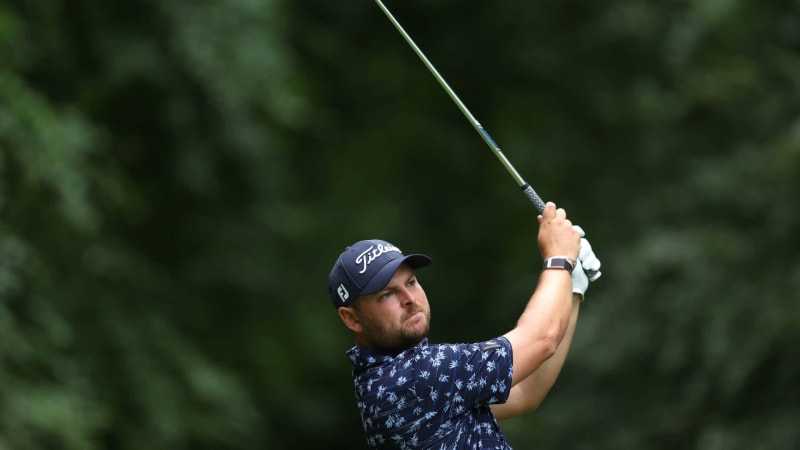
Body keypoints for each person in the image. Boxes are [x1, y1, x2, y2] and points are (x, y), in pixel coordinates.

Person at [327, 202, 602, 450]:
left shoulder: (392, 383)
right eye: (387, 295)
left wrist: (571, 288)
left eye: (411, 282)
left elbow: (525, 393)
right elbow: (541, 339)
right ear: (352, 318)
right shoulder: (414, 377)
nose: (409, 299)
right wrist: (559, 259)